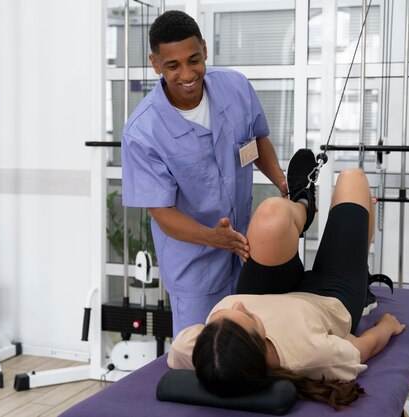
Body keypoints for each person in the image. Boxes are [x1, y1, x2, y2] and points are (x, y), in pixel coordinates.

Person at [167, 149, 403, 410]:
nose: (237, 305)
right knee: (353, 178)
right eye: (244, 317)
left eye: (218, 320)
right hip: (330, 300)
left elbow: (180, 354)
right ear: (259, 347)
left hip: (264, 292)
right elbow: (361, 349)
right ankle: (361, 273)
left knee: (272, 214)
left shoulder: (201, 352)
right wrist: (388, 326)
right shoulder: (311, 356)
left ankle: (303, 204)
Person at [121, 10, 287, 336]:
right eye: (173, 65)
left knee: (253, 348)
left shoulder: (235, 88)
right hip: (194, 266)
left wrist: (282, 182)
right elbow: (162, 213)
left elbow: (256, 140)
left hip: (246, 251)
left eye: (194, 60)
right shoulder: (142, 132)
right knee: (203, 358)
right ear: (155, 64)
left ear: (205, 50)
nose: (187, 74)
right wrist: (214, 238)